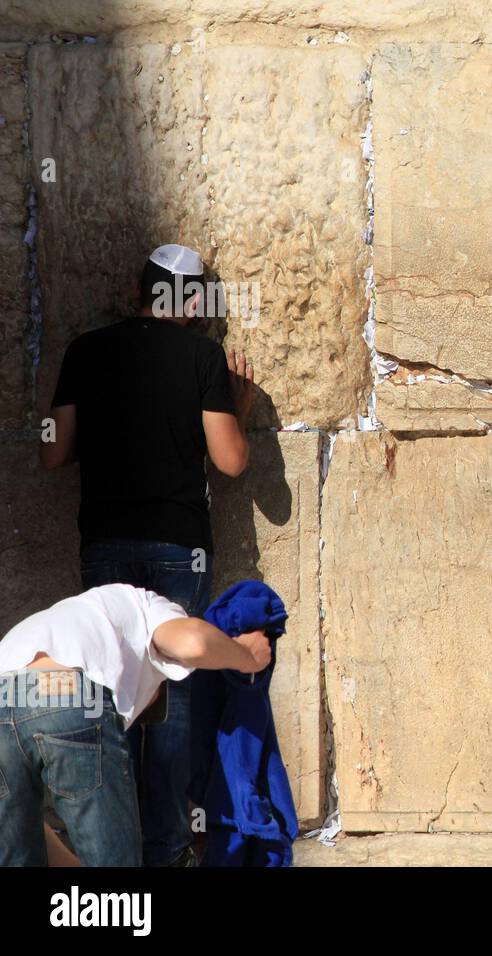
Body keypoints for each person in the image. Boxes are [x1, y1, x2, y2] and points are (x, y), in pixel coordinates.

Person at [38, 243, 256, 866]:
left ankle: (107, 844)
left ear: (139, 292)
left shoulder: (85, 351)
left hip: (104, 543)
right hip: (177, 547)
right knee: (172, 691)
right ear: (187, 301)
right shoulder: (201, 357)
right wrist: (236, 408)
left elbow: (52, 451)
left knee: (104, 692)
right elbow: (232, 461)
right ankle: (165, 846)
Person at [0, 584, 272, 866]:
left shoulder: (62, 620)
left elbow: (31, 829)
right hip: (71, 691)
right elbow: (194, 643)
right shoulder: (141, 603)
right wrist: (246, 656)